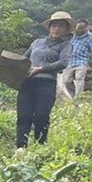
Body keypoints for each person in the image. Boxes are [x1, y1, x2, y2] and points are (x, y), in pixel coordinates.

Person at [17, 10, 74, 148]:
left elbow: (63, 63)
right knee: (24, 116)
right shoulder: (37, 42)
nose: (57, 28)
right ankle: (20, 148)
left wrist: (40, 68)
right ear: (49, 27)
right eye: (54, 25)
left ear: (66, 30)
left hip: (46, 84)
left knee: (41, 117)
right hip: (27, 83)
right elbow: (24, 59)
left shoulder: (65, 45)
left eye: (61, 26)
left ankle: (39, 147)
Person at [60, 19, 92, 100]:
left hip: (82, 61)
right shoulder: (72, 35)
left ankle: (77, 98)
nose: (79, 30)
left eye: (81, 28)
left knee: (79, 78)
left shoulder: (90, 37)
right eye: (78, 28)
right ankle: (73, 96)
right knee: (66, 81)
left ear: (86, 28)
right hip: (69, 61)